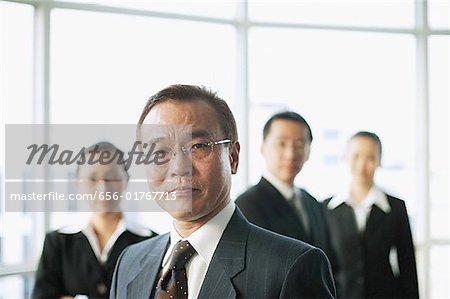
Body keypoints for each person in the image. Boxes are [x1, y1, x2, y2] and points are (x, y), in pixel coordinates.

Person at [110, 85, 336, 299]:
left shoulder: (292, 266)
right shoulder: (130, 261)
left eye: (198, 146)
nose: (179, 168)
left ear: (233, 157)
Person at [32, 142, 156, 299]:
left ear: (126, 181)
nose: (103, 188)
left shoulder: (152, 243)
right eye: (92, 179)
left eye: (112, 178)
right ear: (78, 183)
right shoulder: (57, 242)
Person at [324, 131, 419, 298]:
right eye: (356, 156)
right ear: (345, 158)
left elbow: (407, 266)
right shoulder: (327, 208)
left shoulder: (396, 208)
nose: (362, 165)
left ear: (379, 161)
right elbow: (323, 265)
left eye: (370, 158)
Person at [236, 111, 336, 268]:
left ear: (308, 152)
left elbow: (330, 262)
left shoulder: (312, 203)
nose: (290, 154)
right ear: (263, 148)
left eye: (299, 145)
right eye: (281, 144)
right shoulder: (246, 205)